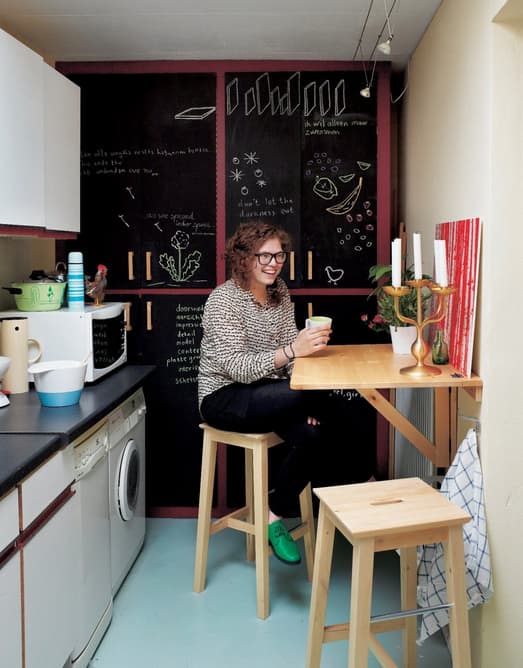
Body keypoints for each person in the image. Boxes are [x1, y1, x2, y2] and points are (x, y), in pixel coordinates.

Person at [197, 221, 333, 566]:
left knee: (314, 432)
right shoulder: (223, 300)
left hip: (269, 393)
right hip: (223, 396)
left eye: (279, 256)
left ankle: (274, 516)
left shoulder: (279, 292)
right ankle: (365, 480)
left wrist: (300, 374)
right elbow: (238, 368)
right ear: (244, 258)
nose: (274, 264)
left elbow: (290, 356)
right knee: (311, 399)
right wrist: (294, 353)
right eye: (265, 256)